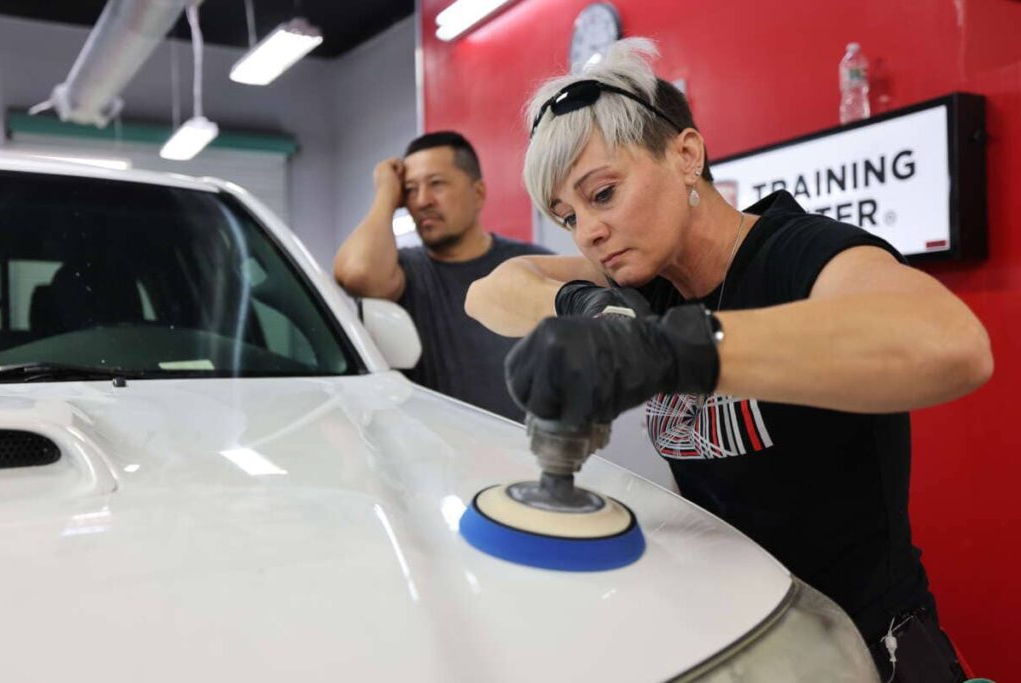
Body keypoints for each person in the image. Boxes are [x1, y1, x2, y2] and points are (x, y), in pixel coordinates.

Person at [465, 39, 991, 681]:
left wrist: (670, 349)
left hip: (866, 647)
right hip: (751, 633)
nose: (588, 232)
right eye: (566, 215)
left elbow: (951, 342)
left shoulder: (798, 254)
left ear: (686, 155)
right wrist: (590, 312)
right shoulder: (646, 279)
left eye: (603, 194)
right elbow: (489, 291)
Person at [334, 131, 552, 421]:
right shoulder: (402, 272)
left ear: (478, 193)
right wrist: (386, 193)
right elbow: (358, 274)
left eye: (436, 184)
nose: (422, 201)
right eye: (410, 190)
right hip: (430, 458)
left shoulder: (532, 266)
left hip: (523, 456)